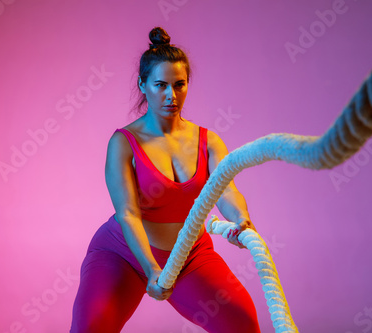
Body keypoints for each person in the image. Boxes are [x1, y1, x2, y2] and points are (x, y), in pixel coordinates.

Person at [70, 27, 261, 333]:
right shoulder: (123, 142)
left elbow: (227, 190)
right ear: (142, 85)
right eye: (160, 85)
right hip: (123, 252)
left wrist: (241, 220)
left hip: (189, 253)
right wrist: (151, 269)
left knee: (243, 323)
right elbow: (128, 213)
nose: (171, 96)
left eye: (179, 85)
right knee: (90, 328)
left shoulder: (208, 141)